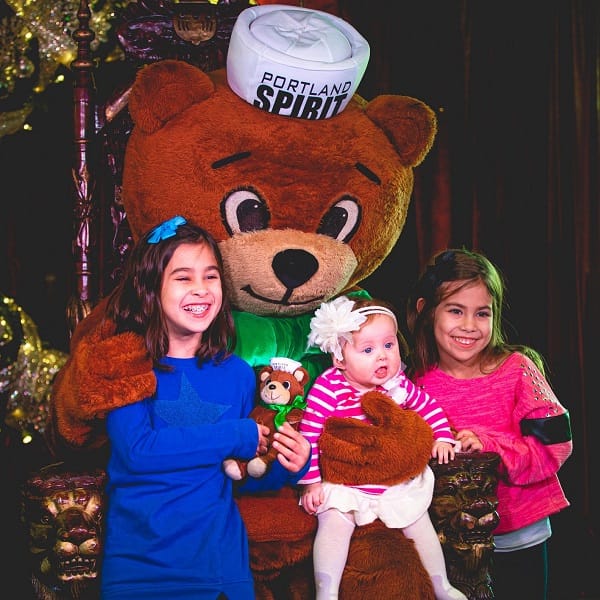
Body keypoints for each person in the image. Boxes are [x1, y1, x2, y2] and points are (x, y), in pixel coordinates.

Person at [98, 215, 311, 600]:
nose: (201, 289)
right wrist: (235, 434)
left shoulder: (238, 374)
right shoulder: (127, 365)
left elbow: (242, 471)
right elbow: (138, 452)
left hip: (221, 570)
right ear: (150, 287)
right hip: (141, 570)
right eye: (183, 277)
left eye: (210, 276)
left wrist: (287, 464)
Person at [406, 248, 573, 600]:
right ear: (427, 310)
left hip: (520, 538)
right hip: (446, 543)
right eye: (456, 310)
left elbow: (555, 445)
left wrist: (491, 446)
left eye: (482, 313)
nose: (469, 325)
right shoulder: (412, 385)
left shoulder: (518, 369)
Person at [298, 295, 466, 600]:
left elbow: (428, 407)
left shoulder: (398, 384)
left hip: (393, 483)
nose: (382, 357)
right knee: (334, 522)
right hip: (347, 484)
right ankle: (327, 592)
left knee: (419, 522)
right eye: (368, 350)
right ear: (340, 358)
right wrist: (311, 483)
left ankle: (441, 585)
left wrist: (442, 436)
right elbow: (309, 434)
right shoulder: (330, 386)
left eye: (389, 345)